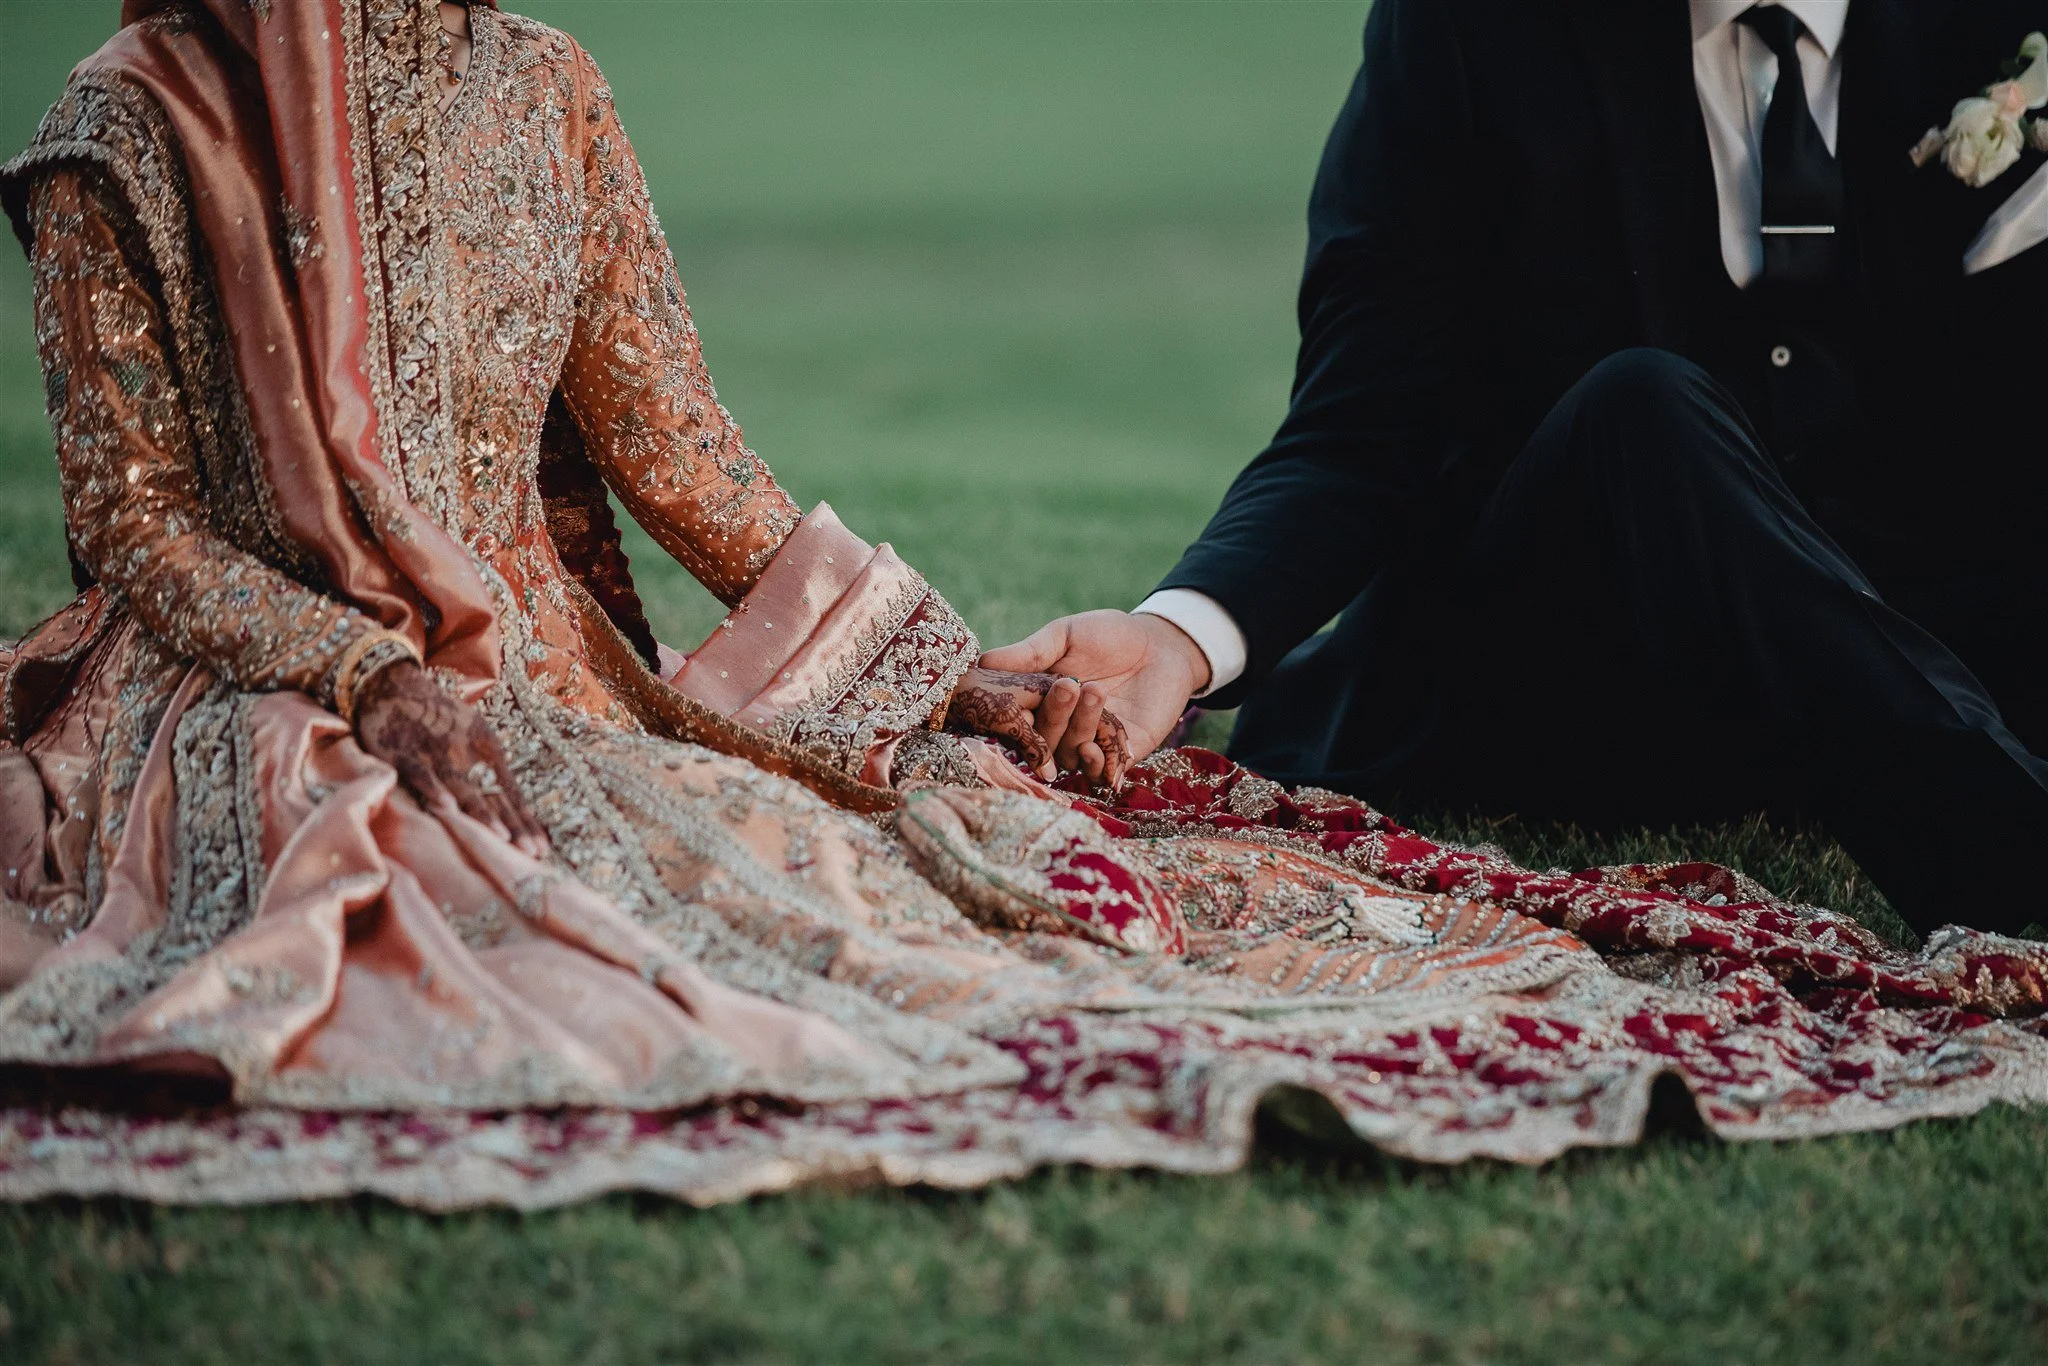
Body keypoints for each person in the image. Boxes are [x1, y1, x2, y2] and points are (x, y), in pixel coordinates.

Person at [1, 0, 2045, 1208]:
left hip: (1921, 606)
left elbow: (683, 456)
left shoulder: (548, 88)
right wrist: (1164, 641)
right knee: (1638, 417)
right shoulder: (124, 118)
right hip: (281, 699)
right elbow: (138, 529)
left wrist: (928, 663)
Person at [993, 0, 2048, 939]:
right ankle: (2015, 866)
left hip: (1935, 627)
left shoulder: (2001, 22)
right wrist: (1183, 633)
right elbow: (1361, 419)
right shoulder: (1470, 25)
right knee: (1641, 405)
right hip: (1588, 664)